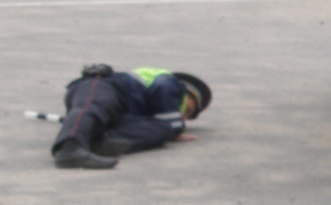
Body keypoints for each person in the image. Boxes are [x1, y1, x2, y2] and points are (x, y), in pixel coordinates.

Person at [51, 63, 211, 169]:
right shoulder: (171, 82)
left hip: (121, 114)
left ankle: (97, 142)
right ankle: (70, 147)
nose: (183, 118)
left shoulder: (150, 111)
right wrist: (176, 128)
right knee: (96, 105)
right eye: (188, 111)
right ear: (186, 92)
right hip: (104, 86)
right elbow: (164, 88)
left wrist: (169, 129)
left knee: (161, 129)